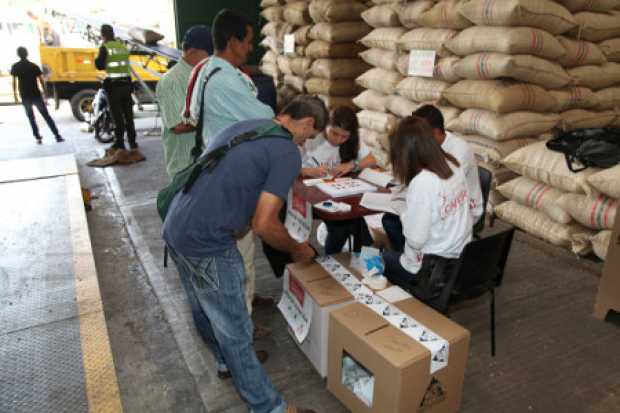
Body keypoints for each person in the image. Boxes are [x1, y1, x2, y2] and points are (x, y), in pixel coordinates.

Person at [162, 95, 327, 413]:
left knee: (202, 309)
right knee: (236, 329)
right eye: (312, 135)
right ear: (307, 123)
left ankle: (227, 363)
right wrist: (298, 248)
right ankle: (269, 407)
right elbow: (264, 224)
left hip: (177, 227)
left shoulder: (247, 126)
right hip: (208, 244)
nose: (307, 143)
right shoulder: (285, 151)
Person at [181, 9, 276, 322]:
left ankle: (242, 309)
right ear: (233, 41)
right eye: (247, 42)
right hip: (230, 184)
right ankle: (241, 333)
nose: (250, 48)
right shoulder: (226, 81)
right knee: (240, 259)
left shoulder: (207, 70)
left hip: (216, 176)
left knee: (238, 258)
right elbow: (265, 117)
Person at [382, 116, 480, 302]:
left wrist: (405, 214)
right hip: (459, 259)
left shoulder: (423, 182)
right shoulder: (452, 164)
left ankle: (405, 312)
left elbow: (416, 241)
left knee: (380, 258)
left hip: (433, 270)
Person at [382, 104, 484, 252]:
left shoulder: (456, 154)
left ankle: (406, 259)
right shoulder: (443, 158)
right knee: (392, 219)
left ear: (434, 132)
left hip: (458, 217)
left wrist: (406, 209)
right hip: (448, 213)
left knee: (401, 226)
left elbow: (436, 193)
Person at [301, 106, 377, 254]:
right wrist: (311, 171)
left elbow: (373, 159)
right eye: (334, 133)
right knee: (344, 225)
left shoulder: (353, 140)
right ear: (326, 126)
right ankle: (332, 262)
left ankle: (356, 260)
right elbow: (290, 167)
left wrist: (352, 164)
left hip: (338, 194)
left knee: (354, 220)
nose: (339, 140)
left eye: (344, 137)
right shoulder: (312, 137)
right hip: (310, 194)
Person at [156, 25, 213, 178]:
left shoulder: (205, 75)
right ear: (192, 51)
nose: (211, 59)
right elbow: (178, 126)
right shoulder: (171, 81)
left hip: (206, 164)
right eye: (209, 54)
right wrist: (216, 118)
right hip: (184, 167)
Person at [94, 24, 144, 164]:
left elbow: (99, 65)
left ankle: (120, 144)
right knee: (128, 115)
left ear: (103, 35)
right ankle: (133, 143)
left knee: (117, 117)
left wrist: (99, 53)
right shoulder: (122, 46)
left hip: (114, 86)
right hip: (126, 85)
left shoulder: (105, 47)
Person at [11, 47, 63, 144]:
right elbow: (41, 80)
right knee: (46, 116)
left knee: (31, 118)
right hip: (36, 95)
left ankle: (38, 137)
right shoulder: (33, 66)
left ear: (18, 54)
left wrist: (15, 96)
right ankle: (57, 135)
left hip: (25, 96)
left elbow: (14, 82)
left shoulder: (15, 67)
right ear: (27, 54)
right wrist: (45, 92)